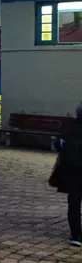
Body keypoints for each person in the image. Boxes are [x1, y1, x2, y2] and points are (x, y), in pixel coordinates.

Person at [53, 102, 82, 246]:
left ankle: (76, 235)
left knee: (74, 202)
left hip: (72, 170)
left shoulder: (68, 128)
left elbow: (57, 145)